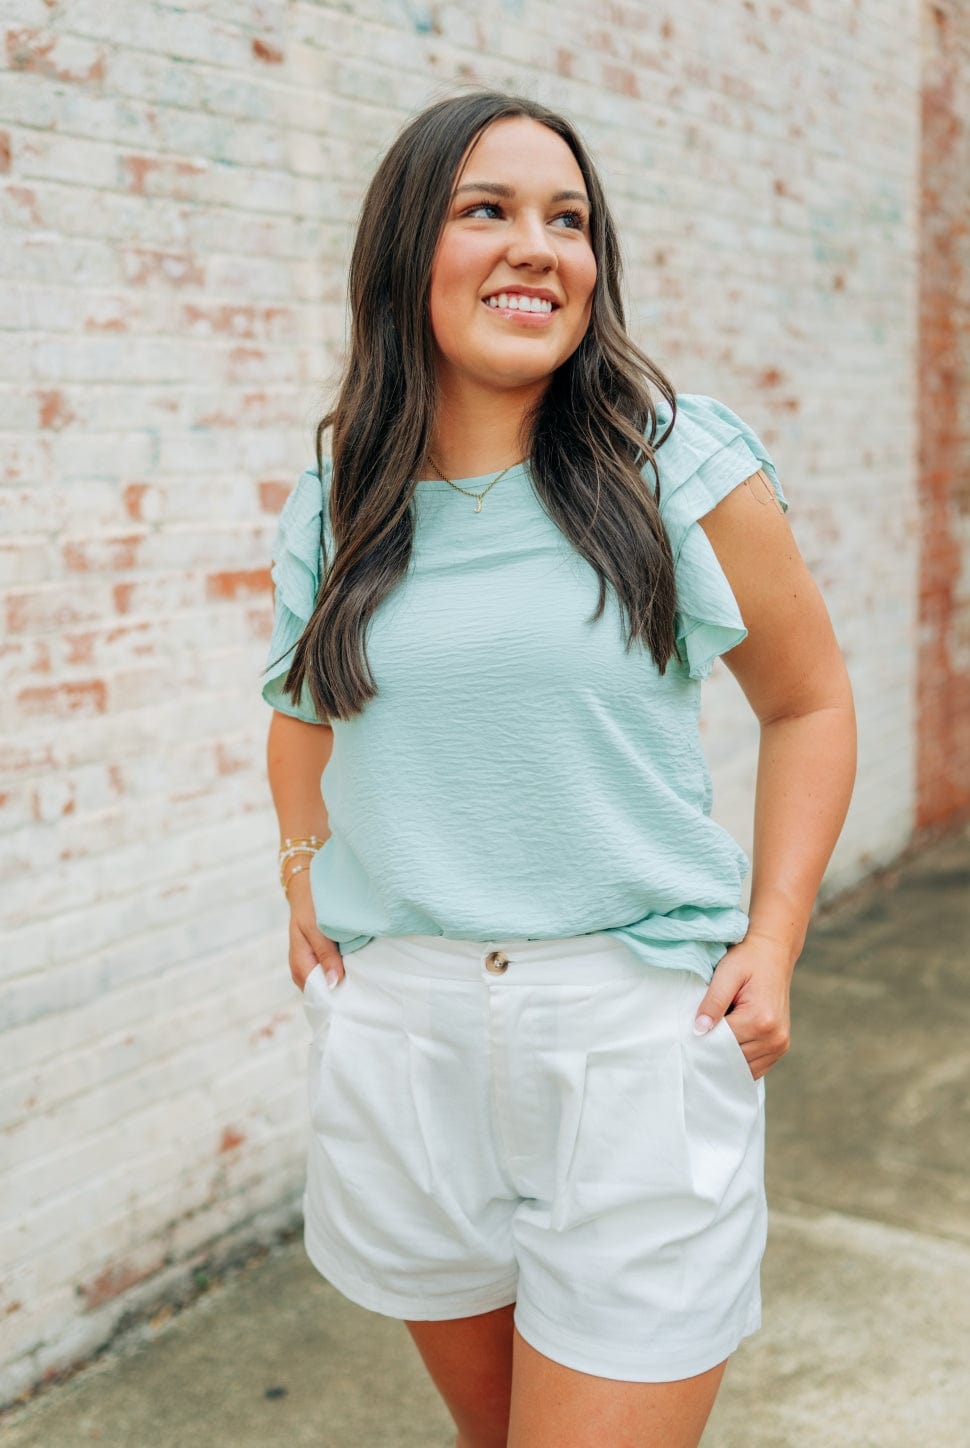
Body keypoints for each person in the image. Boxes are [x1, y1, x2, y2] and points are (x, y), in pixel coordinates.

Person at [261, 89, 857, 1448]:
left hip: (631, 1032)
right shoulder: (345, 492)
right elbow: (301, 712)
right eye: (488, 210)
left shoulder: (673, 460)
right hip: (403, 1030)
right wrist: (300, 877)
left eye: (569, 220)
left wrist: (773, 940)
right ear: (406, 251)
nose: (539, 246)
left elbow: (810, 702)